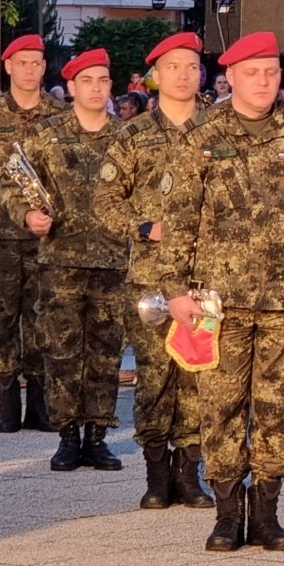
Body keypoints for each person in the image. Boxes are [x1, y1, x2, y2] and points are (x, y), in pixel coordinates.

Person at [159, 31, 284, 552]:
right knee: (218, 406)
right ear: (231, 77)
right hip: (216, 299)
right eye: (253, 73)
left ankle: (266, 512)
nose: (263, 82)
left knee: (276, 406)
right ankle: (225, 513)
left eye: (272, 73)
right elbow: (179, 218)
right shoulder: (202, 132)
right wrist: (175, 290)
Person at [93, 32, 213, 510]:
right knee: (155, 374)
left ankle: (191, 472)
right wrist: (144, 227)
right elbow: (104, 201)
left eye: (191, 66)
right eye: (174, 66)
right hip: (150, 278)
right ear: (156, 76)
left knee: (198, 373)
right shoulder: (133, 135)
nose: (184, 75)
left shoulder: (219, 131)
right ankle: (156, 473)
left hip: (206, 277)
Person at [1, 49, 131, 474]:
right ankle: (67, 435)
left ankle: (97, 435)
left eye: (103, 81)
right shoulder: (47, 135)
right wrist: (26, 214)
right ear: (71, 86)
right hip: (61, 263)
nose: (97, 88)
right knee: (62, 351)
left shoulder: (127, 138)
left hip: (113, 262)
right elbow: (11, 182)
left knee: (105, 352)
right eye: (88, 80)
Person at [0, 34, 66, 434]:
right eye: (22, 62)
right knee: (4, 320)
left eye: (37, 63)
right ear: (8, 66)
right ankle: (8, 403)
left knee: (43, 320)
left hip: (46, 236)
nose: (30, 70)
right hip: (1, 236)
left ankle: (40, 404)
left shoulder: (58, 114)